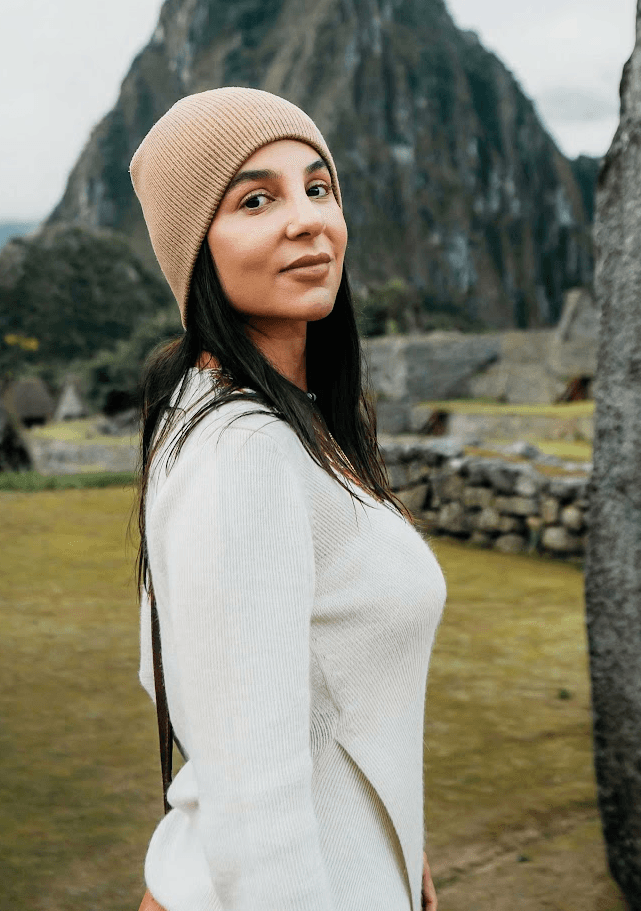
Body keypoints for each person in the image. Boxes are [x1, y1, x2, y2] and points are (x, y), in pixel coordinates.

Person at [129, 86, 446, 911]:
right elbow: (252, 802)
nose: (307, 219)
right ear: (194, 248)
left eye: (318, 187)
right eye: (255, 199)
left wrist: (401, 853)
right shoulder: (246, 450)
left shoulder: (274, 425)